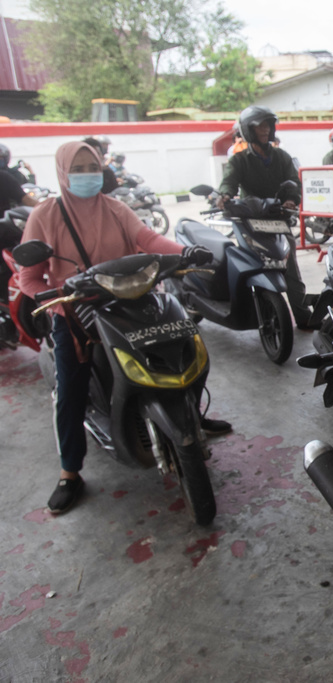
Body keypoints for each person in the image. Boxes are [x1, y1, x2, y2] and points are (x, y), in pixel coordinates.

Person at [18, 141, 229, 515]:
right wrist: (58, 300)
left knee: (181, 351)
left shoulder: (116, 208)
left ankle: (191, 418)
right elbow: (28, 278)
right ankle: (69, 472)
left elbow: (148, 240)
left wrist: (183, 253)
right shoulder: (45, 215)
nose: (87, 174)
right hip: (75, 311)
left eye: (93, 166)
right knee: (70, 390)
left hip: (130, 299)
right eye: (78, 168)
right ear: (63, 172)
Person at [218, 106, 313, 328]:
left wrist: (291, 199)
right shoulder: (239, 160)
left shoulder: (282, 156)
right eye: (259, 126)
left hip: (278, 219)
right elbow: (229, 182)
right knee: (247, 263)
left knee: (291, 268)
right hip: (250, 221)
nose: (265, 130)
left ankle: (303, 316)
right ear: (248, 130)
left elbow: (294, 183)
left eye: (268, 125)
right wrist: (225, 195)